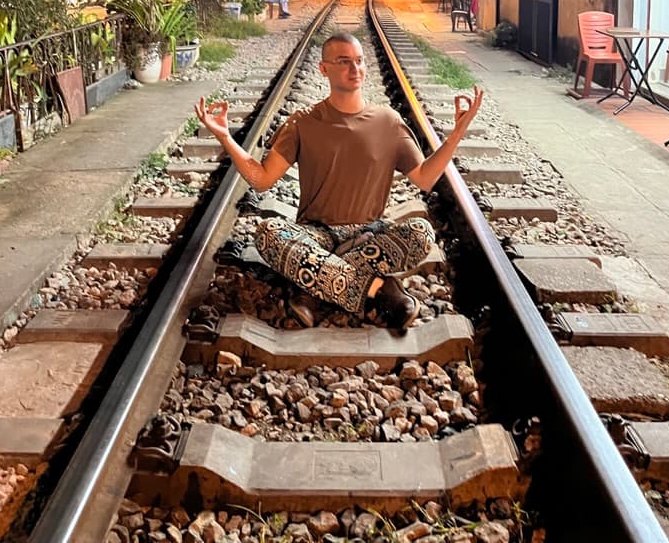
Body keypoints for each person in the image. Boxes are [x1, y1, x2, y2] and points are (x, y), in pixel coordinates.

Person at [195, 33, 484, 331]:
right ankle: (377, 291)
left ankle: (314, 289)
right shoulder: (302, 122)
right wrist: (225, 137)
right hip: (315, 234)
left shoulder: (388, 121)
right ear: (324, 69)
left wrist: (456, 135)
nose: (354, 68)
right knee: (269, 233)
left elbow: (425, 178)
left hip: (369, 236)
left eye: (358, 61)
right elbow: (262, 179)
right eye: (344, 62)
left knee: (422, 232)